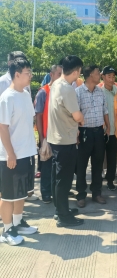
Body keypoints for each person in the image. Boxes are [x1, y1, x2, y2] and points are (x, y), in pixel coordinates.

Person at [0, 57, 38, 246]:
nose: (30, 76)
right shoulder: (7, 97)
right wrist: (10, 153)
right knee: (8, 195)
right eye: (27, 73)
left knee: (22, 192)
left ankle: (18, 222)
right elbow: (3, 128)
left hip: (27, 152)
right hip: (11, 155)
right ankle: (7, 230)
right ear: (16, 74)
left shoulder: (25, 94)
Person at [48, 55, 84, 227]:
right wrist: (81, 118)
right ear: (76, 71)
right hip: (65, 140)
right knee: (64, 180)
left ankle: (60, 209)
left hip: (56, 138)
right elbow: (77, 116)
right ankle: (64, 216)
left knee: (57, 178)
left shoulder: (56, 84)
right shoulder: (68, 89)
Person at [75, 65, 110, 207]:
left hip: (99, 132)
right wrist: (76, 133)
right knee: (81, 165)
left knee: (98, 164)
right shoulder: (78, 92)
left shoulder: (100, 92)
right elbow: (74, 114)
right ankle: (81, 194)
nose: (99, 75)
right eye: (97, 73)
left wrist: (108, 126)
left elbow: (105, 110)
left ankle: (96, 193)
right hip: (84, 133)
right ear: (90, 75)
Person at [34, 64, 63, 203]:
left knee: (58, 167)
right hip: (47, 136)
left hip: (60, 136)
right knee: (46, 166)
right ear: (51, 75)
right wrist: (42, 138)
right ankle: (46, 193)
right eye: (59, 74)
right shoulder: (43, 92)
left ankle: (55, 190)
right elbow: (38, 115)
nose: (61, 77)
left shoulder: (63, 91)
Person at [99, 66, 117, 191]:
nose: (111, 79)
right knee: (98, 157)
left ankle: (110, 180)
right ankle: (97, 180)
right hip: (101, 131)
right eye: (109, 76)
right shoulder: (99, 92)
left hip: (114, 131)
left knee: (112, 157)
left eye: (113, 76)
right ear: (103, 77)